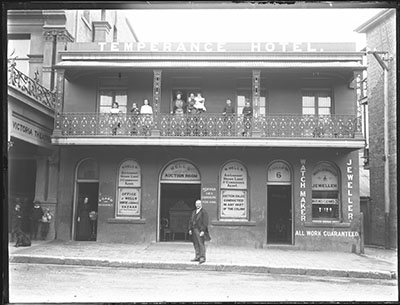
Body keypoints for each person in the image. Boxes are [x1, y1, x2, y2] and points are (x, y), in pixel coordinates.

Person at [188, 199, 211, 264]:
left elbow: (205, 222)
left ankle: (202, 257)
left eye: (199, 204)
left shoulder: (204, 212)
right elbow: (190, 221)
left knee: (201, 244)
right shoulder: (193, 212)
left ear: (201, 204)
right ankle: (197, 256)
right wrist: (190, 229)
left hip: (199, 230)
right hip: (194, 230)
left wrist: (203, 230)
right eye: (196, 204)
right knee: (195, 244)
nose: (197, 205)